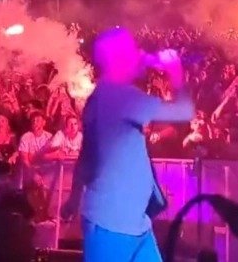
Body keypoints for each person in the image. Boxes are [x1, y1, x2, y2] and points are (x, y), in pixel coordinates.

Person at [61, 28, 194, 262]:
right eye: (132, 49)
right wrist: (175, 74)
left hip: (132, 224)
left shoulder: (99, 97)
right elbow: (184, 111)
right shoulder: (120, 96)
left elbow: (87, 155)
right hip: (112, 226)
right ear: (118, 58)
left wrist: (74, 198)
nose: (139, 53)